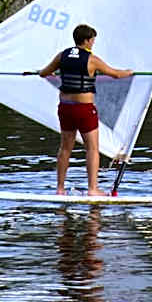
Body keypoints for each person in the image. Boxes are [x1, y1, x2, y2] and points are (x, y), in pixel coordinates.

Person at [39, 24, 133, 196]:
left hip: (65, 108)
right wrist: (129, 72)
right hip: (84, 110)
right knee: (92, 149)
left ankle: (60, 189)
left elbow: (43, 73)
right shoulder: (92, 60)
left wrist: (50, 73)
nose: (93, 43)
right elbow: (115, 74)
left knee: (65, 148)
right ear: (87, 40)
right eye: (93, 40)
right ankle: (93, 189)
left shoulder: (62, 56)